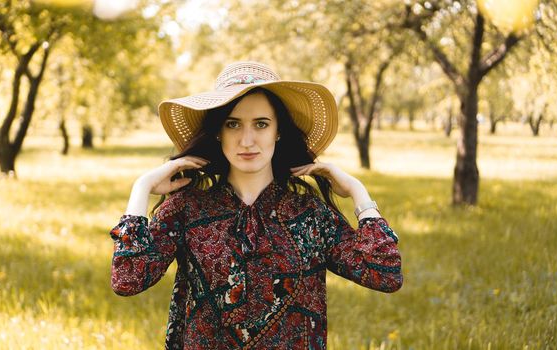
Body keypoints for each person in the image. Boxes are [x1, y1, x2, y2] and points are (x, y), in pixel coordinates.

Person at [109, 61, 402, 349]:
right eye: (233, 124)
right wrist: (141, 188)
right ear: (218, 132)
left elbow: (385, 274)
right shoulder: (187, 208)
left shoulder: (309, 214)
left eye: (261, 124)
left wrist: (358, 193)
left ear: (278, 131)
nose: (247, 140)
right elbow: (127, 279)